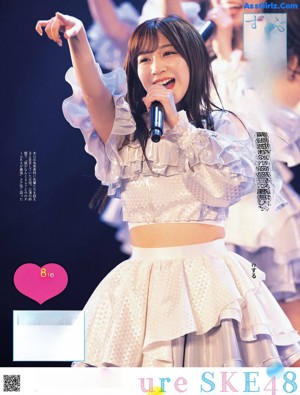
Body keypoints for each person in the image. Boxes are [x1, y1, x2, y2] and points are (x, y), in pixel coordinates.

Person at [36, 12, 300, 367]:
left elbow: (228, 187)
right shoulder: (125, 129)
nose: (156, 66)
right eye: (144, 58)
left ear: (193, 58)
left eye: (168, 54)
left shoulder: (223, 128)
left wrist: (180, 126)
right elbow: (94, 90)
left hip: (212, 281)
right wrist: (77, 37)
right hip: (142, 287)